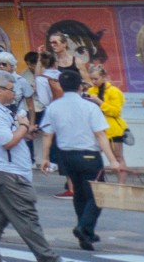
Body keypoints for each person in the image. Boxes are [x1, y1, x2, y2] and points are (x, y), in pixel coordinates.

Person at [0, 70, 56, 262]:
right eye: (11, 89)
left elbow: (9, 136)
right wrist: (24, 126)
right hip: (7, 172)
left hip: (1, 171)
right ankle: (48, 258)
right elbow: (7, 141)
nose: (14, 93)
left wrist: (24, 131)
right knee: (27, 217)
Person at [41, 66, 124, 251]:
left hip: (66, 156)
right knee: (97, 195)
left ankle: (85, 235)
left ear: (61, 86)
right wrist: (113, 160)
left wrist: (45, 158)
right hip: (88, 156)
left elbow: (47, 134)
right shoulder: (89, 106)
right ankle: (84, 227)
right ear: (80, 86)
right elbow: (101, 135)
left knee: (79, 193)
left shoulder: (53, 107)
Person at [87, 62, 127, 169]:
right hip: (96, 129)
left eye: (96, 79)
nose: (93, 82)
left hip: (113, 130)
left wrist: (99, 102)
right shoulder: (90, 91)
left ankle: (121, 184)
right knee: (94, 156)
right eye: (91, 79)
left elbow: (116, 112)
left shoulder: (114, 91)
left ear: (103, 77)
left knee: (118, 157)